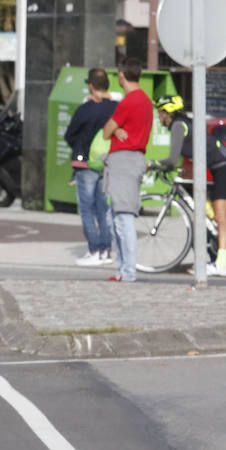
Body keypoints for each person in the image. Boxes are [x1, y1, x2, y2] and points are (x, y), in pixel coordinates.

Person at [154, 94, 226, 277]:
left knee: (220, 218)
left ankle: (221, 265)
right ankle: (222, 258)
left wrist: (152, 164)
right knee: (203, 217)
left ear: (167, 112)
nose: (159, 117)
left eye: (160, 112)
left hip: (225, 167)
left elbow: (172, 159)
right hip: (218, 168)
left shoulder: (178, 125)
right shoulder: (184, 124)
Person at [99, 57, 153, 283]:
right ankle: (122, 269)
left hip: (123, 162)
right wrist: (117, 129)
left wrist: (115, 128)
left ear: (122, 75)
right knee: (118, 218)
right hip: (135, 159)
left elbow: (106, 131)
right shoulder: (146, 101)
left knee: (123, 218)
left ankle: (127, 271)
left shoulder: (129, 102)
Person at [62, 68, 117, 266]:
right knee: (103, 208)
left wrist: (80, 146)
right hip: (106, 162)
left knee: (87, 209)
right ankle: (105, 251)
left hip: (83, 162)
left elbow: (69, 134)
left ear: (91, 85)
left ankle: (93, 250)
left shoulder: (85, 109)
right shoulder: (115, 108)